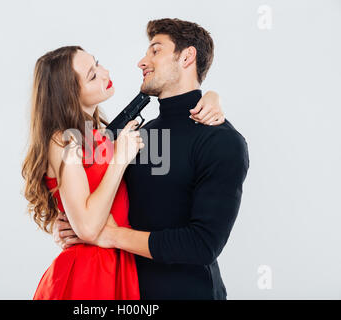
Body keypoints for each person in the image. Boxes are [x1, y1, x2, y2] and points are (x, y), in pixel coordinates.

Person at [53, 18, 249, 300]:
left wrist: (109, 236)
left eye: (155, 50)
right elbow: (93, 197)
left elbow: (202, 244)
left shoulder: (222, 142)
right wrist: (68, 224)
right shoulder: (133, 138)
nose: (141, 61)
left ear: (187, 57)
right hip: (124, 293)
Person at [23, 43, 225, 299]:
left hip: (123, 267)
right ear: (69, 94)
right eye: (92, 75)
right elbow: (86, 227)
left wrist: (211, 97)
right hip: (90, 274)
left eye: (97, 63)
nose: (105, 72)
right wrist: (119, 159)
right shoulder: (63, 141)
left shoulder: (97, 137)